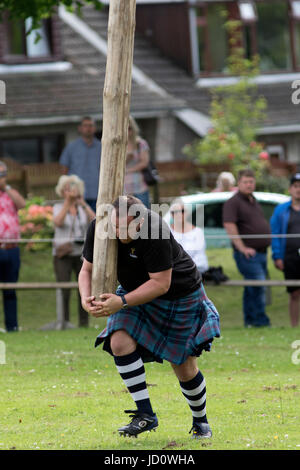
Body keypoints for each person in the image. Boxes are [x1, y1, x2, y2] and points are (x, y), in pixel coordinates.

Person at [78, 195, 220, 439]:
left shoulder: (156, 231)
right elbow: (86, 269)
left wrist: (121, 302)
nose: (118, 233)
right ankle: (145, 415)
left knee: (183, 366)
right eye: (115, 226)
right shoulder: (100, 226)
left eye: (124, 228)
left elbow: (161, 284)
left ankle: (201, 421)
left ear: (141, 221)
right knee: (119, 341)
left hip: (178, 294)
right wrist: (85, 298)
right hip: (134, 290)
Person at [223, 169, 271, 327]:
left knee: (252, 287)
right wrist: (242, 248)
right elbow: (229, 226)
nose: (249, 185)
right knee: (258, 285)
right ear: (239, 183)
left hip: (261, 253)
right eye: (245, 182)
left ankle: (250, 321)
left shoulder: (253, 200)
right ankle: (260, 321)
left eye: (251, 181)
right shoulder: (233, 202)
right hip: (247, 255)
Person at [53, 174, 95, 327]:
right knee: (64, 289)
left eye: (72, 188)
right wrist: (67, 203)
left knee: (83, 289)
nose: (69, 191)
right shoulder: (57, 207)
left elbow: (96, 221)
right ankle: (64, 322)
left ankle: (83, 323)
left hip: (82, 253)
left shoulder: (82, 208)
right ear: (61, 191)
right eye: (66, 189)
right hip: (63, 254)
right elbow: (58, 222)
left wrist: (82, 203)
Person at [270, 173, 300, 327]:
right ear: (290, 189)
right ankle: (294, 325)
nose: (298, 189)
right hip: (290, 257)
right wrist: (277, 256)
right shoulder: (281, 210)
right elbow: (275, 234)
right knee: (294, 293)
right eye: (296, 186)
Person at [0, 161, 26, 332]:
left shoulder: (11, 193)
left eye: (3, 174)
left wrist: (6, 187)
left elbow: (22, 204)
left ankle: (12, 326)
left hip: (12, 249)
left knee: (11, 289)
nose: (1, 178)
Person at [59, 116, 101, 213]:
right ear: (80, 128)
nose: (88, 128)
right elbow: (64, 170)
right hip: (76, 195)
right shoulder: (71, 147)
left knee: (96, 224)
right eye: (85, 125)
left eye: (91, 125)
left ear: (95, 128)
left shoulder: (102, 147)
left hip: (97, 193)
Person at [169, 200, 209, 274]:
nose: (179, 214)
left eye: (182, 211)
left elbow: (200, 258)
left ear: (187, 213)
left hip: (193, 272)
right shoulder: (166, 232)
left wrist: (187, 267)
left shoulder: (197, 232)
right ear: (171, 214)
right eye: (175, 212)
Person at [124, 116, 150, 208]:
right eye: (125, 128)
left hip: (140, 187)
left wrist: (128, 170)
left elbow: (144, 163)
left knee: (145, 217)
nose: (127, 131)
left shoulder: (140, 143)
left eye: (130, 128)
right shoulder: (118, 145)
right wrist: (127, 158)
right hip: (124, 189)